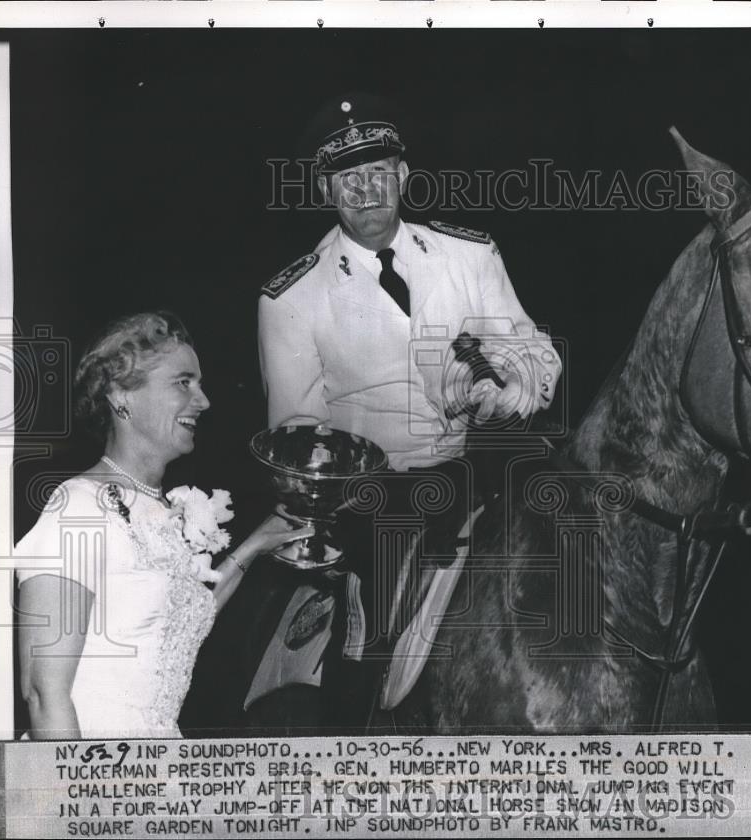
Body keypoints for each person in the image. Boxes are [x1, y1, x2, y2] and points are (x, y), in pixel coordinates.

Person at [252, 92, 562, 730]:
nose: (366, 189)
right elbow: (297, 433)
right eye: (348, 177)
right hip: (371, 495)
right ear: (324, 186)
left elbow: (533, 349)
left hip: (474, 466)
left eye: (378, 171)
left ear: (403, 175)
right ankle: (348, 744)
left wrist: (514, 387)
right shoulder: (292, 296)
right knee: (371, 625)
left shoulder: (470, 255)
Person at [15, 312, 313, 740]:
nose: (204, 400)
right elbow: (44, 694)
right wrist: (77, 800)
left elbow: (182, 617)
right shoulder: (77, 507)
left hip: (161, 766)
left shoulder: (161, 508)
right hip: (90, 774)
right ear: (121, 395)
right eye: (183, 382)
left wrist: (254, 546)